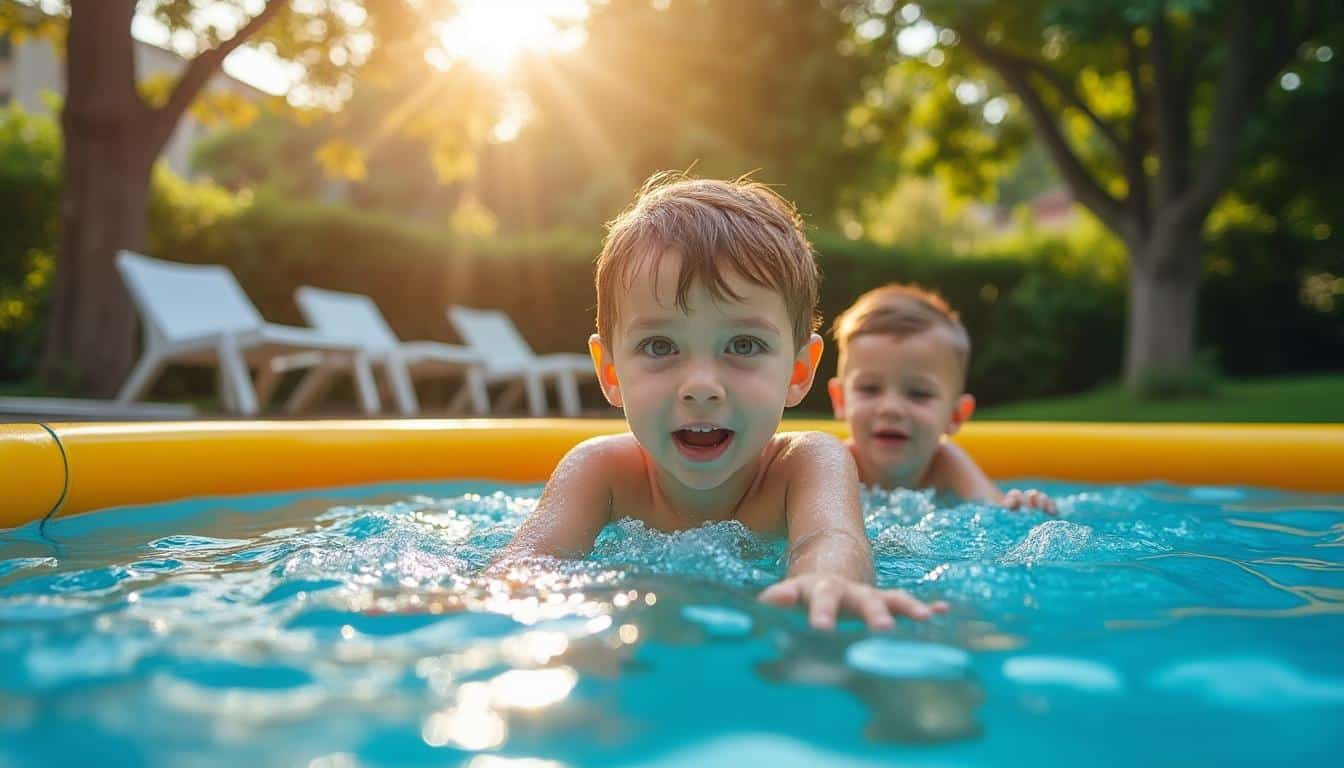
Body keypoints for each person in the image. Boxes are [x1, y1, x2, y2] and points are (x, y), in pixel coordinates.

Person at [498, 173, 947, 631]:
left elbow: (832, 538)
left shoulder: (805, 464)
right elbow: (523, 566)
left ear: (798, 372)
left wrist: (825, 580)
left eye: (744, 346)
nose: (701, 386)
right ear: (611, 372)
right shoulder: (600, 473)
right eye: (659, 346)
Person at [828, 284, 1056, 513]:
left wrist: (1023, 511)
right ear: (841, 400)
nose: (891, 408)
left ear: (956, 415)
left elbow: (995, 513)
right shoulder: (835, 468)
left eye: (918, 393)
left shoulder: (948, 464)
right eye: (869, 389)